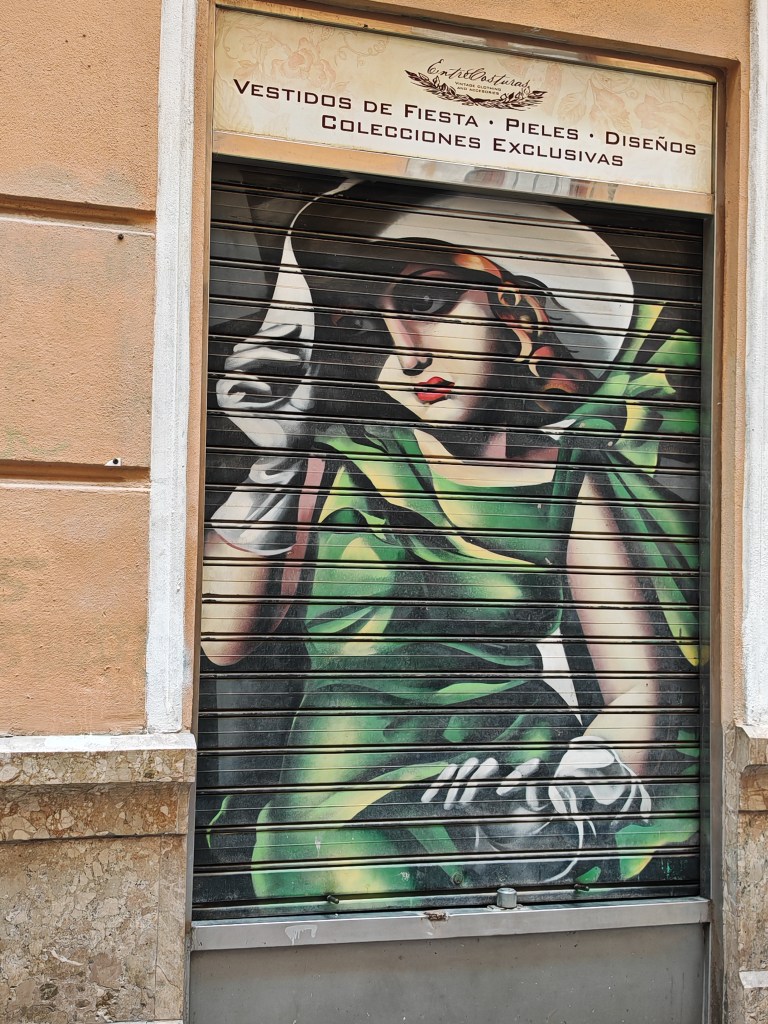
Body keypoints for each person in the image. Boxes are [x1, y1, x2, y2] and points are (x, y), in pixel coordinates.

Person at [200, 182, 700, 908]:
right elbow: (223, 641)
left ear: (515, 310)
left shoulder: (569, 479)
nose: (406, 356)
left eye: (428, 303)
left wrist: (568, 798)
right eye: (370, 332)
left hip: (525, 775)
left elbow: (636, 683)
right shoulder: (328, 461)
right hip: (346, 803)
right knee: (372, 887)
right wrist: (275, 459)